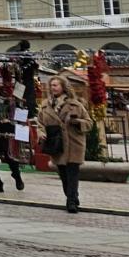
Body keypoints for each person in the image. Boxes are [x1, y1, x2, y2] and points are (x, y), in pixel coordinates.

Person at [38, 75, 90, 213]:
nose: (53, 88)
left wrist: (77, 122)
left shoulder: (75, 104)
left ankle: (71, 202)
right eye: (52, 85)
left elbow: (89, 123)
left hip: (74, 144)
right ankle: (72, 196)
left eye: (56, 85)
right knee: (63, 175)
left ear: (63, 87)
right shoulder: (45, 105)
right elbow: (40, 123)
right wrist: (41, 132)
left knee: (72, 173)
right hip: (57, 143)